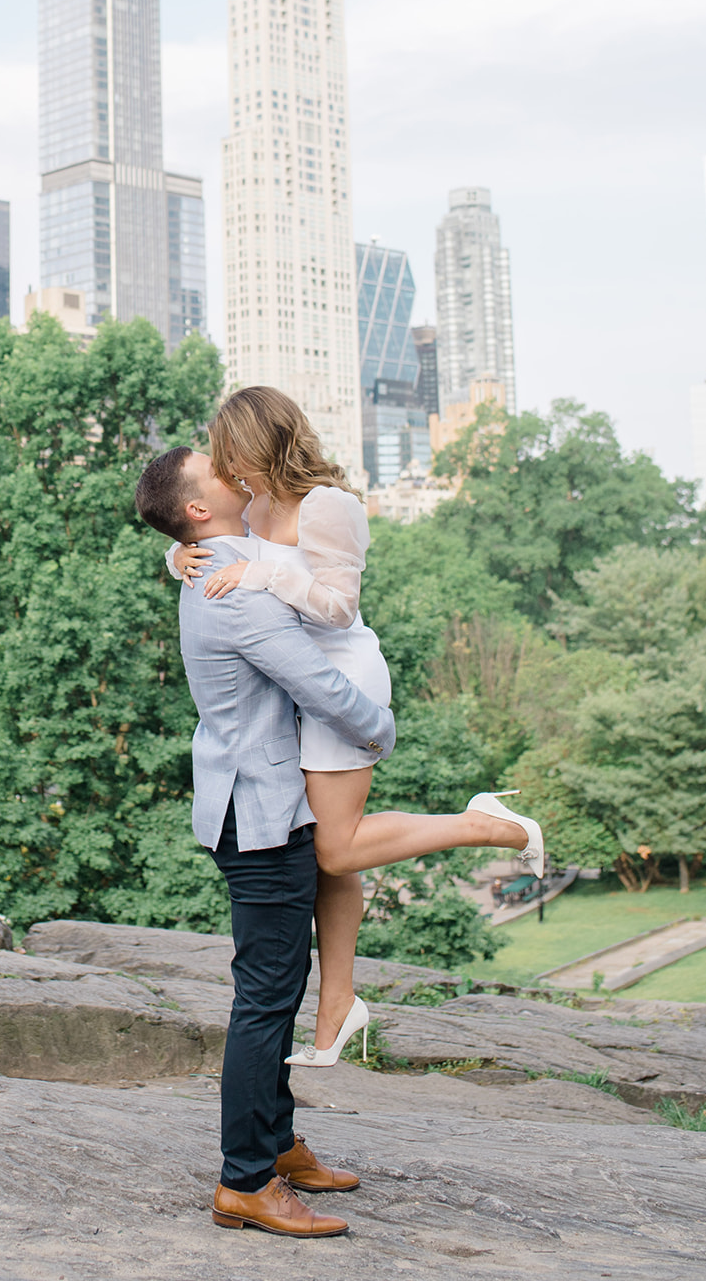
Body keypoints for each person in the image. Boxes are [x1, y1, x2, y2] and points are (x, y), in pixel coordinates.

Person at [168, 385, 543, 1068]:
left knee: (335, 851)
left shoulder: (329, 506)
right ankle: (336, 1006)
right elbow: (220, 548)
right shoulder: (252, 504)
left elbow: (337, 609)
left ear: (261, 442)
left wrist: (261, 574)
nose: (225, 468)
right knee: (322, 846)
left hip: (341, 677)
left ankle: (482, 825)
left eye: (230, 452)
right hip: (298, 684)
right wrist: (178, 556)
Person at [136, 444, 396, 1239]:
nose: (236, 471)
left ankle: (277, 1145)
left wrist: (172, 550)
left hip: (252, 802)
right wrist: (380, 730)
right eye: (219, 469)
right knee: (266, 999)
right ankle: (245, 1180)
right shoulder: (234, 594)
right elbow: (317, 686)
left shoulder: (213, 557)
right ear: (199, 510)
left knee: (273, 988)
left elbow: (260, 551)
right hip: (259, 816)